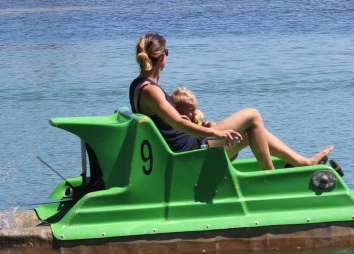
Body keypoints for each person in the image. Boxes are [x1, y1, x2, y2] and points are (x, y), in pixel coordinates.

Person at [129, 33, 332, 170]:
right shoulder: (151, 90)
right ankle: (270, 177)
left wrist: (204, 125)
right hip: (187, 155)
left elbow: (172, 124)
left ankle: (302, 163)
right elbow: (178, 123)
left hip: (185, 148)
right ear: (163, 57)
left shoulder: (139, 85)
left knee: (254, 130)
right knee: (252, 115)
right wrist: (215, 132)